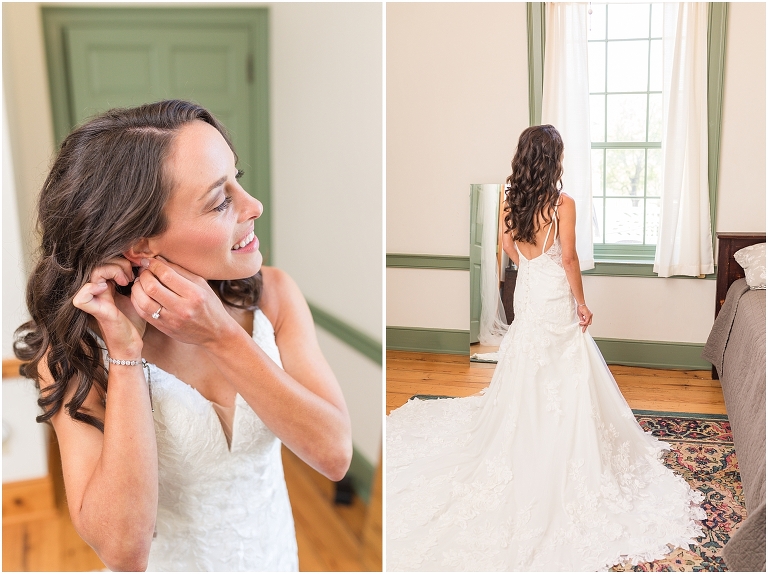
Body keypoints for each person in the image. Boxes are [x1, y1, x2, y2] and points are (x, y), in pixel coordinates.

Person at [14, 100, 352, 571]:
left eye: (238, 178)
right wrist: (126, 355)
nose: (253, 206)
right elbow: (124, 552)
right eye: (220, 201)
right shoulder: (76, 353)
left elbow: (334, 455)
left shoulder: (274, 296)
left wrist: (220, 336)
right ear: (138, 244)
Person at [386, 125, 705, 571]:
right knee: (562, 358)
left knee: (528, 352)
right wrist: (582, 303)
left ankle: (526, 426)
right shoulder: (562, 204)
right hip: (553, 287)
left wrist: (528, 264)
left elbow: (506, 245)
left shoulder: (510, 199)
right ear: (553, 159)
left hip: (530, 287)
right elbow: (569, 257)